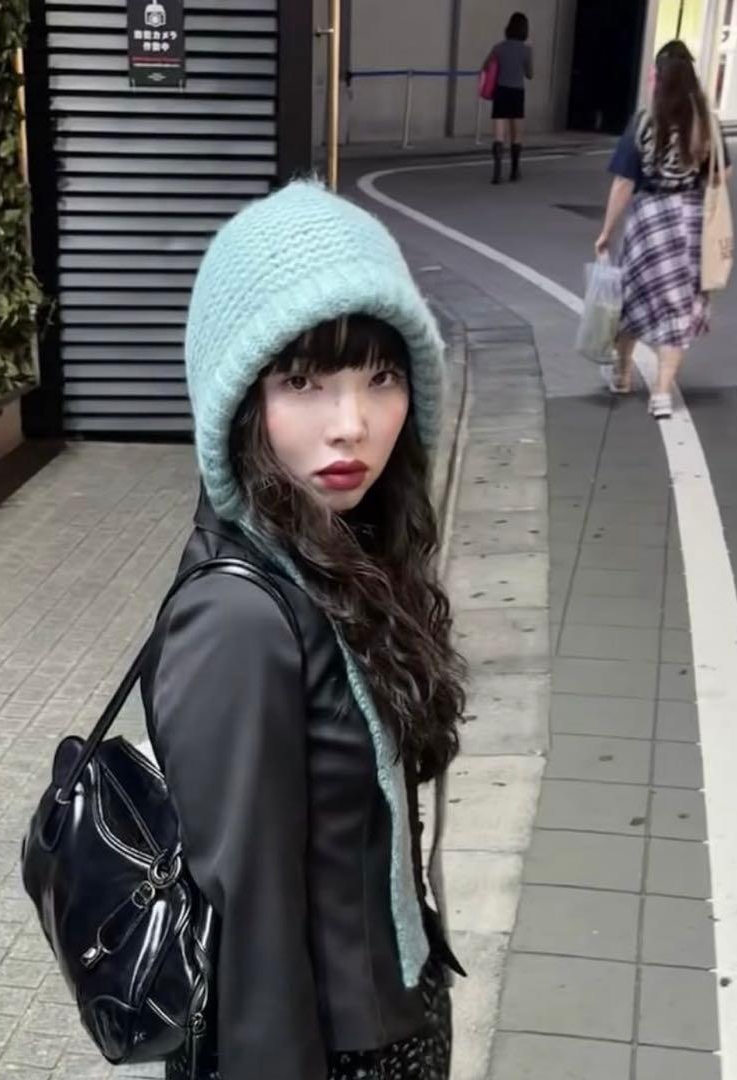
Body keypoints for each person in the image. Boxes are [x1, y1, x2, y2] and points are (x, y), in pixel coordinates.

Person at [141, 180, 467, 1080]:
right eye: (302, 382)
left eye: (380, 377)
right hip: (334, 1051)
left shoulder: (342, 553)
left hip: (392, 1013)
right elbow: (246, 933)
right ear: (239, 399)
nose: (350, 425)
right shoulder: (238, 620)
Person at [594, 41, 732, 420]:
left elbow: (624, 182)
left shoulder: (644, 121)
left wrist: (606, 231)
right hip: (690, 223)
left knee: (632, 300)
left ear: (659, 78)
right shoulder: (706, 122)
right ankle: (661, 394)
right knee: (677, 307)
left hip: (649, 221)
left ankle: (622, 373)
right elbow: (722, 174)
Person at [482, 12, 533, 183]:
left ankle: (497, 173)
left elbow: (486, 66)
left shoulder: (498, 47)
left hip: (501, 91)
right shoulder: (526, 50)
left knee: (499, 134)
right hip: (517, 92)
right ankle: (514, 170)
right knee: (516, 133)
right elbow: (530, 74)